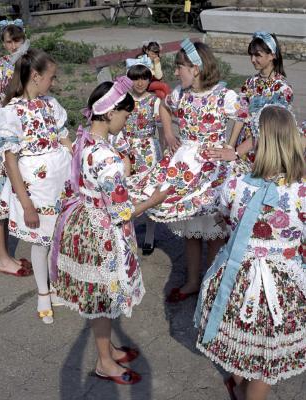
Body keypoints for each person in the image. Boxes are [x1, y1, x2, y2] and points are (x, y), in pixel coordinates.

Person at [50, 78, 167, 384]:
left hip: (83, 222)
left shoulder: (85, 139)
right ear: (111, 113)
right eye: (126, 116)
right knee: (101, 298)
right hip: (101, 233)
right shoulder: (107, 157)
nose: (127, 123)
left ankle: (109, 349)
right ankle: (104, 362)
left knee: (100, 295)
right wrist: (156, 199)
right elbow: (122, 211)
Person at [194, 105, 305, 400]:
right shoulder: (302, 190)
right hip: (284, 286)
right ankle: (246, 391)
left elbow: (222, 215)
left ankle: (238, 383)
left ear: (257, 141)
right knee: (267, 360)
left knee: (239, 344)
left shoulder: (235, 184)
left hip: (237, 277)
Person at [127, 39, 248, 302]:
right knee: (193, 228)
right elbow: (163, 107)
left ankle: (212, 281)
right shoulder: (180, 95)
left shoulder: (224, 95)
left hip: (213, 167)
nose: (175, 72)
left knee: (214, 226)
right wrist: (169, 134)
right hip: (186, 164)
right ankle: (194, 280)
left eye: (180, 66)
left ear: (196, 68)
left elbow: (245, 119)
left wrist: (232, 148)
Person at [0, 48, 72, 323]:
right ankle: (43, 293)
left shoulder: (51, 104)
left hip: (60, 183)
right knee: (41, 240)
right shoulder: (11, 112)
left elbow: (64, 138)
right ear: (35, 75)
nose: (53, 83)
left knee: (58, 237)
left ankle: (56, 285)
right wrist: (26, 204)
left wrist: (80, 159)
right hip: (36, 188)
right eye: (51, 77)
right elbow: (11, 161)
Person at [207, 31, 293, 163]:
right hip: (243, 148)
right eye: (251, 55)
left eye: (257, 55)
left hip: (267, 149)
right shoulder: (249, 83)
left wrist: (236, 152)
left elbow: (270, 129)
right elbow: (241, 117)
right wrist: (231, 145)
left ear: (272, 55)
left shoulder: (282, 89)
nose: (253, 59)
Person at [112, 60, 163, 255]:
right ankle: (128, 235)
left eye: (144, 77)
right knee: (127, 192)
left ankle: (149, 236)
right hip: (127, 150)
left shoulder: (154, 101)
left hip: (149, 150)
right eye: (135, 78)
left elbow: (160, 129)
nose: (140, 82)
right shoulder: (123, 99)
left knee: (150, 192)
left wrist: (165, 155)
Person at [0, 18, 31, 276]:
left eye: (16, 40)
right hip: (3, 133)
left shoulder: (29, 62)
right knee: (1, 197)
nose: (12, 45)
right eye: (7, 42)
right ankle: (2, 257)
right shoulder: (2, 66)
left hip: (22, 132)